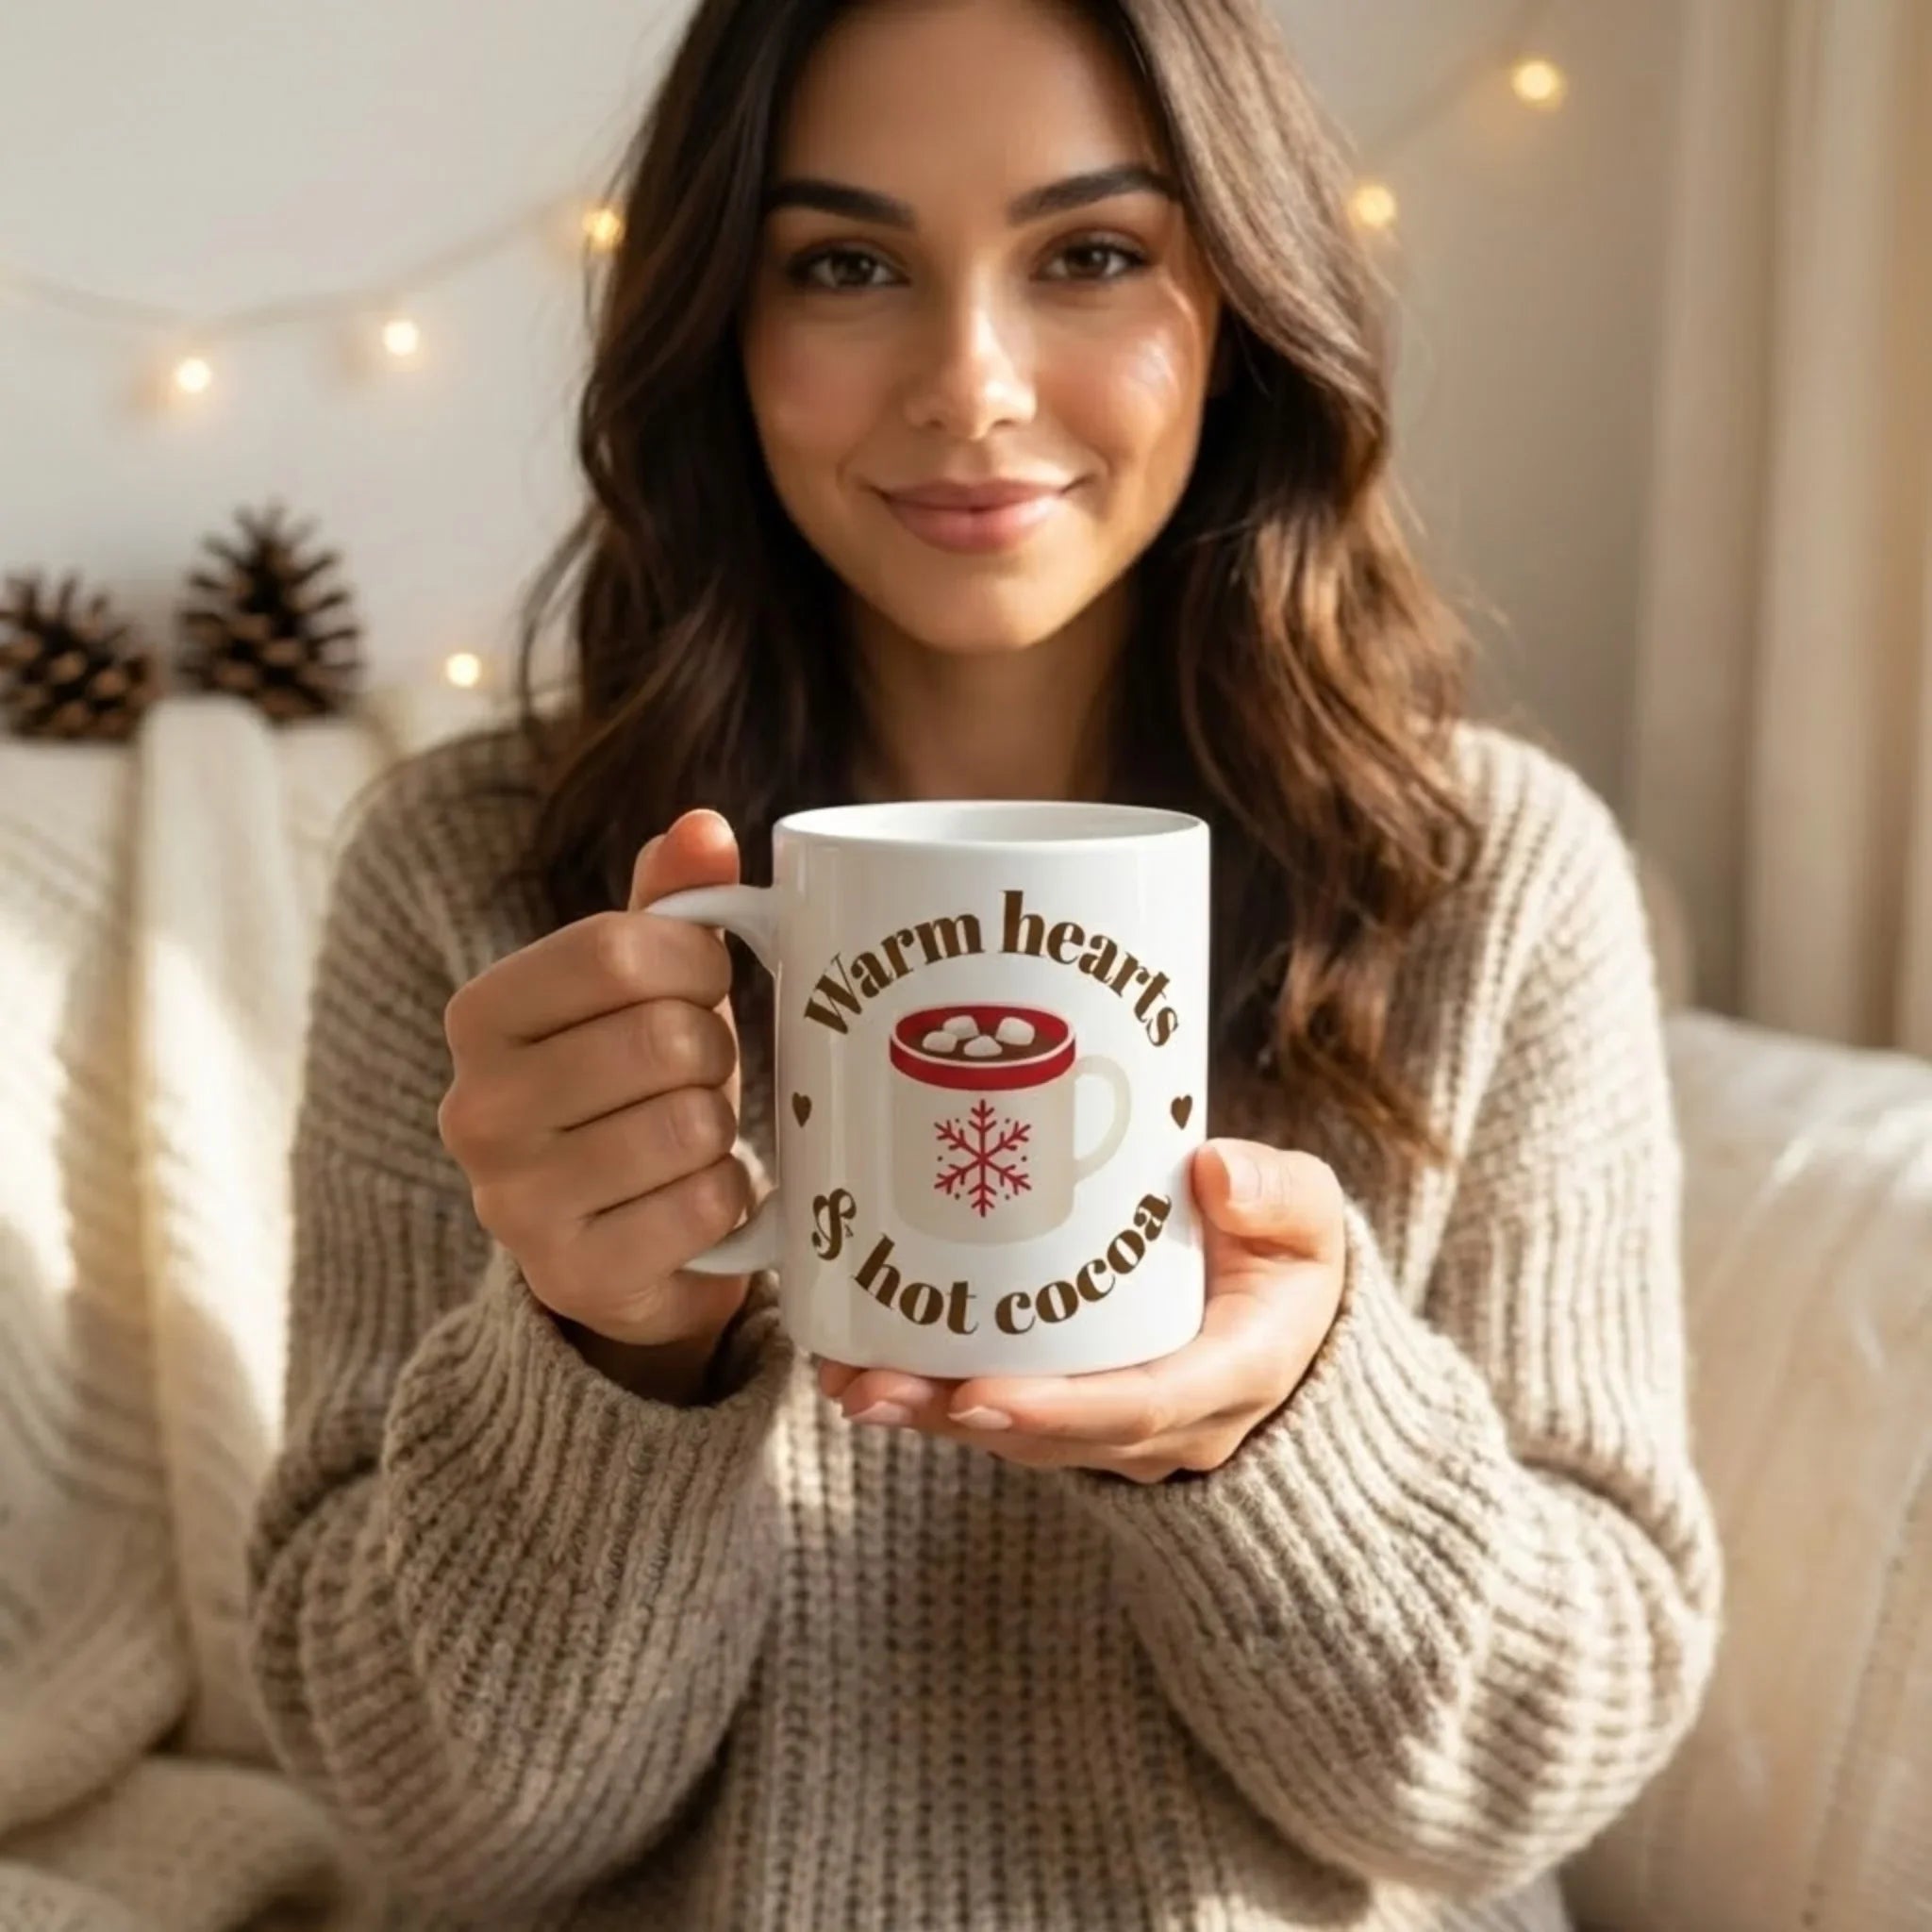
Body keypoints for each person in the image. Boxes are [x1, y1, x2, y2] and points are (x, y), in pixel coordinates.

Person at [244, 1, 1724, 1927]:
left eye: (1091, 256)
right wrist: (608, 1358)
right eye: (846, 264)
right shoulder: (486, 889)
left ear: (1244, 304)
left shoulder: (1479, 877)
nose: (971, 384)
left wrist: (1280, 1432)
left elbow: (1523, 1784)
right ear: (722, 324)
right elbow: (427, 1823)